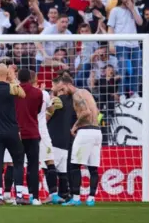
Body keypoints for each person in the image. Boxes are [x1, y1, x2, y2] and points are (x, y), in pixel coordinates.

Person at [56, 76, 102, 207]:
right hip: (97, 131)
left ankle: (76, 198)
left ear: (68, 85)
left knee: (75, 165)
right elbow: (96, 111)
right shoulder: (87, 92)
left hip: (85, 132)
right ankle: (91, 198)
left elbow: (86, 112)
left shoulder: (76, 95)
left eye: (63, 89)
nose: (63, 92)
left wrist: (75, 126)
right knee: (93, 168)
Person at [0, 64, 27, 205]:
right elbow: (23, 94)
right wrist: (13, 78)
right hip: (11, 131)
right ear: (7, 73)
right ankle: (19, 195)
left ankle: (0, 197)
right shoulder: (11, 87)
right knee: (18, 162)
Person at [13, 68, 43, 205]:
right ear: (31, 79)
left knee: (18, 165)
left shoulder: (14, 92)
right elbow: (37, 111)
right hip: (33, 133)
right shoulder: (38, 93)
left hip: (18, 134)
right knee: (33, 166)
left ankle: (18, 196)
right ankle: (35, 197)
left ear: (18, 78)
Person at [46, 77, 72, 204]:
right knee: (62, 170)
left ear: (60, 86)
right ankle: (64, 194)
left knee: (48, 166)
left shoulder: (56, 100)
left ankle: (53, 195)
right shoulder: (71, 101)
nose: (51, 88)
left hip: (54, 138)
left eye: (53, 86)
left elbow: (46, 118)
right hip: (65, 140)